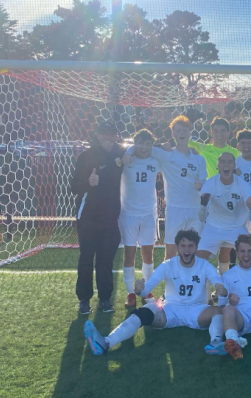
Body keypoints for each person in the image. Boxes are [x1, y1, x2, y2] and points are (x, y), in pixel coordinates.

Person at [83, 229, 227, 356]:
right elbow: (147, 289)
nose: (186, 250)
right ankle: (106, 342)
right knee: (144, 311)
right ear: (177, 247)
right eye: (183, 246)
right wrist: (139, 290)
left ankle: (216, 343)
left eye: (190, 246)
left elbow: (218, 284)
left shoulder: (205, 266)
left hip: (197, 310)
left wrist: (222, 291)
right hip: (171, 309)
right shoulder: (168, 265)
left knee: (218, 312)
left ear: (196, 247)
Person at [71, 120, 125, 315]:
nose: (109, 138)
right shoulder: (85, 156)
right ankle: (84, 299)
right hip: (88, 217)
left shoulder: (121, 154)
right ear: (98, 135)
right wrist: (88, 182)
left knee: (105, 259)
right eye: (105, 134)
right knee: (86, 258)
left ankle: (105, 298)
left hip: (110, 217)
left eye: (112, 135)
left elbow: (144, 147)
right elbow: (73, 187)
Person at [134, 115, 207, 260]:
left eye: (184, 130)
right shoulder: (166, 154)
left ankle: (190, 282)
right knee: (171, 252)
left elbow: (204, 180)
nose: (181, 133)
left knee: (194, 251)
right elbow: (138, 147)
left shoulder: (198, 158)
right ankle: (170, 283)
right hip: (175, 208)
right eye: (178, 130)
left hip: (195, 209)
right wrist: (160, 145)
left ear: (189, 133)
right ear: (173, 133)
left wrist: (201, 185)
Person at [196, 153, 251, 274]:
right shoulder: (210, 184)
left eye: (229, 162)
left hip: (237, 228)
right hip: (213, 227)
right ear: (217, 165)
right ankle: (205, 291)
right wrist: (203, 205)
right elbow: (201, 218)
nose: (226, 165)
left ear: (234, 166)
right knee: (198, 260)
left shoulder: (243, 185)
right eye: (222, 162)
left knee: (249, 257)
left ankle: (244, 286)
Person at [119, 129, 159, 308]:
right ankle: (130, 293)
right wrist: (127, 152)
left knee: (148, 253)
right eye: (140, 143)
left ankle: (145, 289)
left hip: (149, 214)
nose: (144, 147)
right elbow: (119, 151)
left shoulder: (155, 160)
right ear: (135, 144)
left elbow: (167, 151)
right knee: (129, 253)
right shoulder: (125, 159)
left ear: (152, 144)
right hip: (128, 214)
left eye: (148, 143)